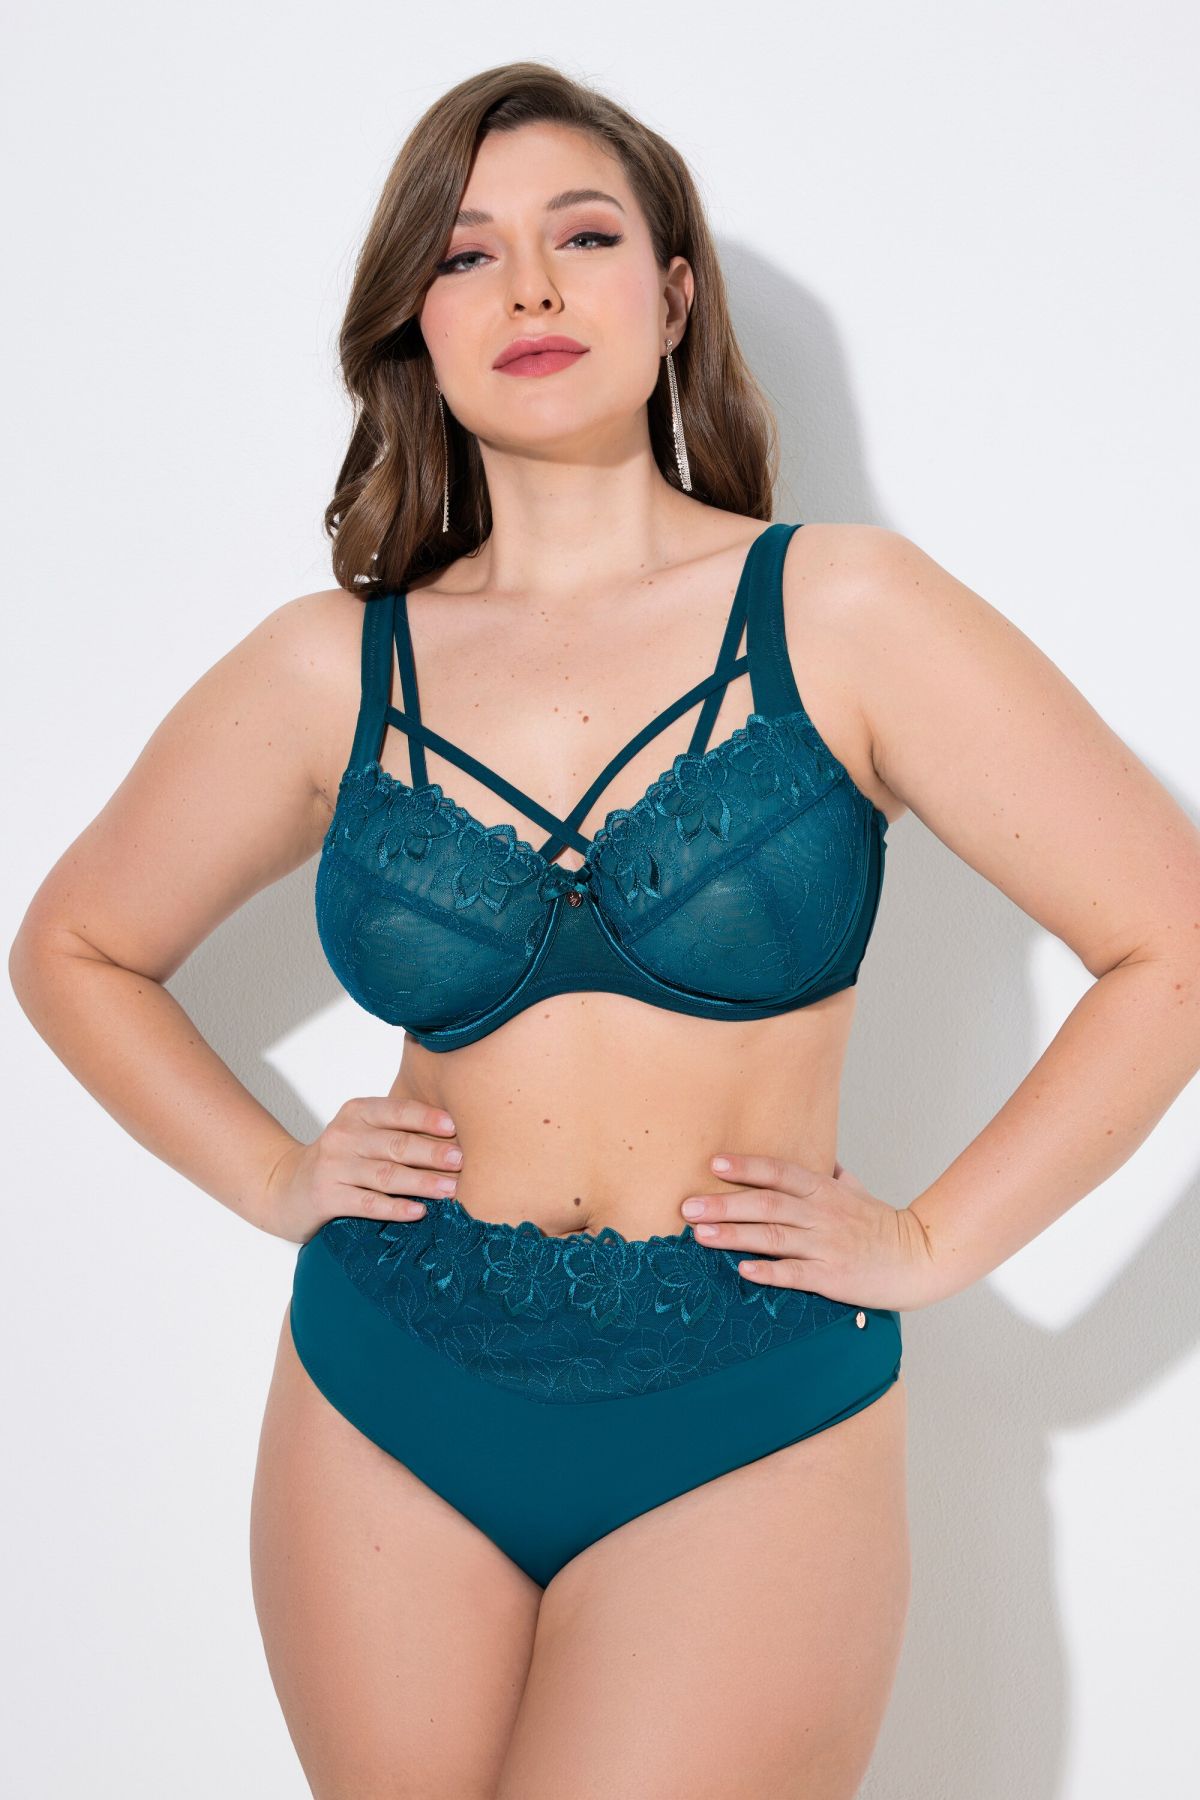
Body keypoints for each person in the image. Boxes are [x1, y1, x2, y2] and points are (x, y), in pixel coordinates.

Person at [10, 59, 1200, 1800]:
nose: (532, 288)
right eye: (467, 253)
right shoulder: (328, 666)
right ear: (416, 322)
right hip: (387, 1386)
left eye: (583, 235)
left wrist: (935, 1242)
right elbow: (74, 948)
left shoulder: (846, 609)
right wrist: (272, 1175)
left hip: (749, 1396)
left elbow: (1170, 943)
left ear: (675, 293)